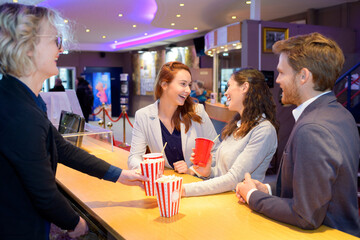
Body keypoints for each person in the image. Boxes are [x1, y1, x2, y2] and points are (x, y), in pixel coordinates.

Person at [0, 3, 147, 239]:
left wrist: (119, 175)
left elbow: (62, 148)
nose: (61, 49)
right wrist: (74, 222)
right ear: (27, 47)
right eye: (54, 41)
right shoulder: (18, 111)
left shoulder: (24, 99)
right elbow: (43, 194)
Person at [236, 33, 360, 237]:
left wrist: (251, 195)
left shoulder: (312, 128)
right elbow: (314, 185)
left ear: (303, 76)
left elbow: (305, 215)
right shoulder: (341, 114)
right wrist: (266, 189)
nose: (277, 80)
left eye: (282, 73)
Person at [182, 68, 278, 196]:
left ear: (244, 87)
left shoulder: (264, 130)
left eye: (229, 86)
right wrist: (208, 172)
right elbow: (222, 172)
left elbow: (233, 179)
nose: (226, 92)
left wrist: (184, 189)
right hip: (221, 200)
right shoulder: (237, 125)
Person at [128, 61, 220, 173]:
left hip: (195, 184)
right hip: (165, 184)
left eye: (189, 85)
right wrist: (148, 169)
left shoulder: (198, 112)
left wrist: (192, 170)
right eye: (183, 84)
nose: (188, 90)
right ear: (164, 84)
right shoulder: (143, 116)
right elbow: (134, 158)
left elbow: (216, 152)